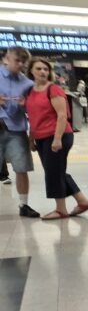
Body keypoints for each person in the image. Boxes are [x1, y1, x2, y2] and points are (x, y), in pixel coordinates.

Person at [24, 57, 88, 219]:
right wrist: (31, 138)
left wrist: (57, 139)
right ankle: (82, 201)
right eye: (38, 69)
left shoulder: (53, 89)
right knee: (55, 170)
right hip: (41, 137)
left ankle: (61, 209)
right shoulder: (30, 92)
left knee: (53, 173)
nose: (42, 72)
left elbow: (62, 116)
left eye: (45, 69)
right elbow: (34, 117)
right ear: (31, 71)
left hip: (58, 135)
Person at [0, 46, 39, 217]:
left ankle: (24, 205)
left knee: (21, 168)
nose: (21, 64)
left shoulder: (28, 84)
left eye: (24, 62)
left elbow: (35, 108)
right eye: (18, 60)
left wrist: (26, 105)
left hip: (16, 129)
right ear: (6, 59)